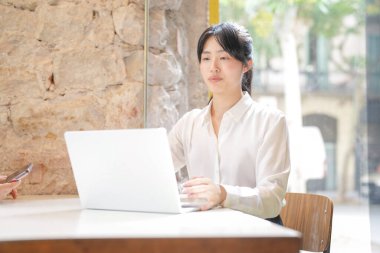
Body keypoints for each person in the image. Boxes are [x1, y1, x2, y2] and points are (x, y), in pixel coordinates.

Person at [168, 22, 290, 224]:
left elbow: (272, 200)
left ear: (247, 64)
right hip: (202, 233)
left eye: (223, 57)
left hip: (254, 237)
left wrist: (223, 194)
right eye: (206, 58)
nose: (213, 67)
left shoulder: (270, 122)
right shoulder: (189, 123)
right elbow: (157, 171)